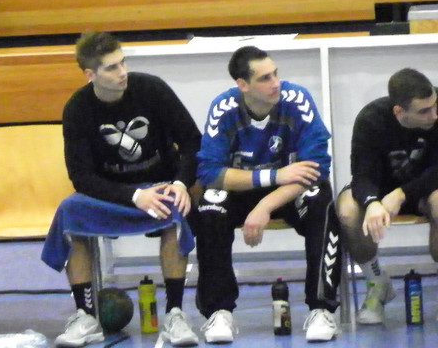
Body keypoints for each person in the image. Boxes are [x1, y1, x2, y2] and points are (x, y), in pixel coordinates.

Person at [51, 31, 201, 347]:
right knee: (70, 211)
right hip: (110, 193)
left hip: (160, 186)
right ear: (90, 75)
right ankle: (85, 316)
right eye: (112, 67)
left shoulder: (152, 89)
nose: (122, 73)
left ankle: (175, 313)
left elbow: (192, 142)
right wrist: (134, 196)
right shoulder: (77, 108)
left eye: (123, 63)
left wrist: (180, 183)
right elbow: (80, 177)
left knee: (174, 208)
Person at [195, 46, 342, 343]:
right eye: (264, 78)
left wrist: (265, 205)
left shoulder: (297, 99)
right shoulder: (223, 108)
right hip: (244, 189)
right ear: (243, 85)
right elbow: (210, 173)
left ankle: (321, 308)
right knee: (210, 205)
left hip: (288, 192)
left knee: (321, 202)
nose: (275, 83)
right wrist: (272, 176)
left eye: (275, 74)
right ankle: (219, 311)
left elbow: (317, 168)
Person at [335, 68, 438, 325]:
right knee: (347, 212)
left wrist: (402, 194)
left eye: (435, 105)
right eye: (424, 111)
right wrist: (371, 202)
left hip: (427, 187)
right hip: (381, 190)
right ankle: (377, 283)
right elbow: (362, 174)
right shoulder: (371, 118)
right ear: (399, 111)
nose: (434, 115)